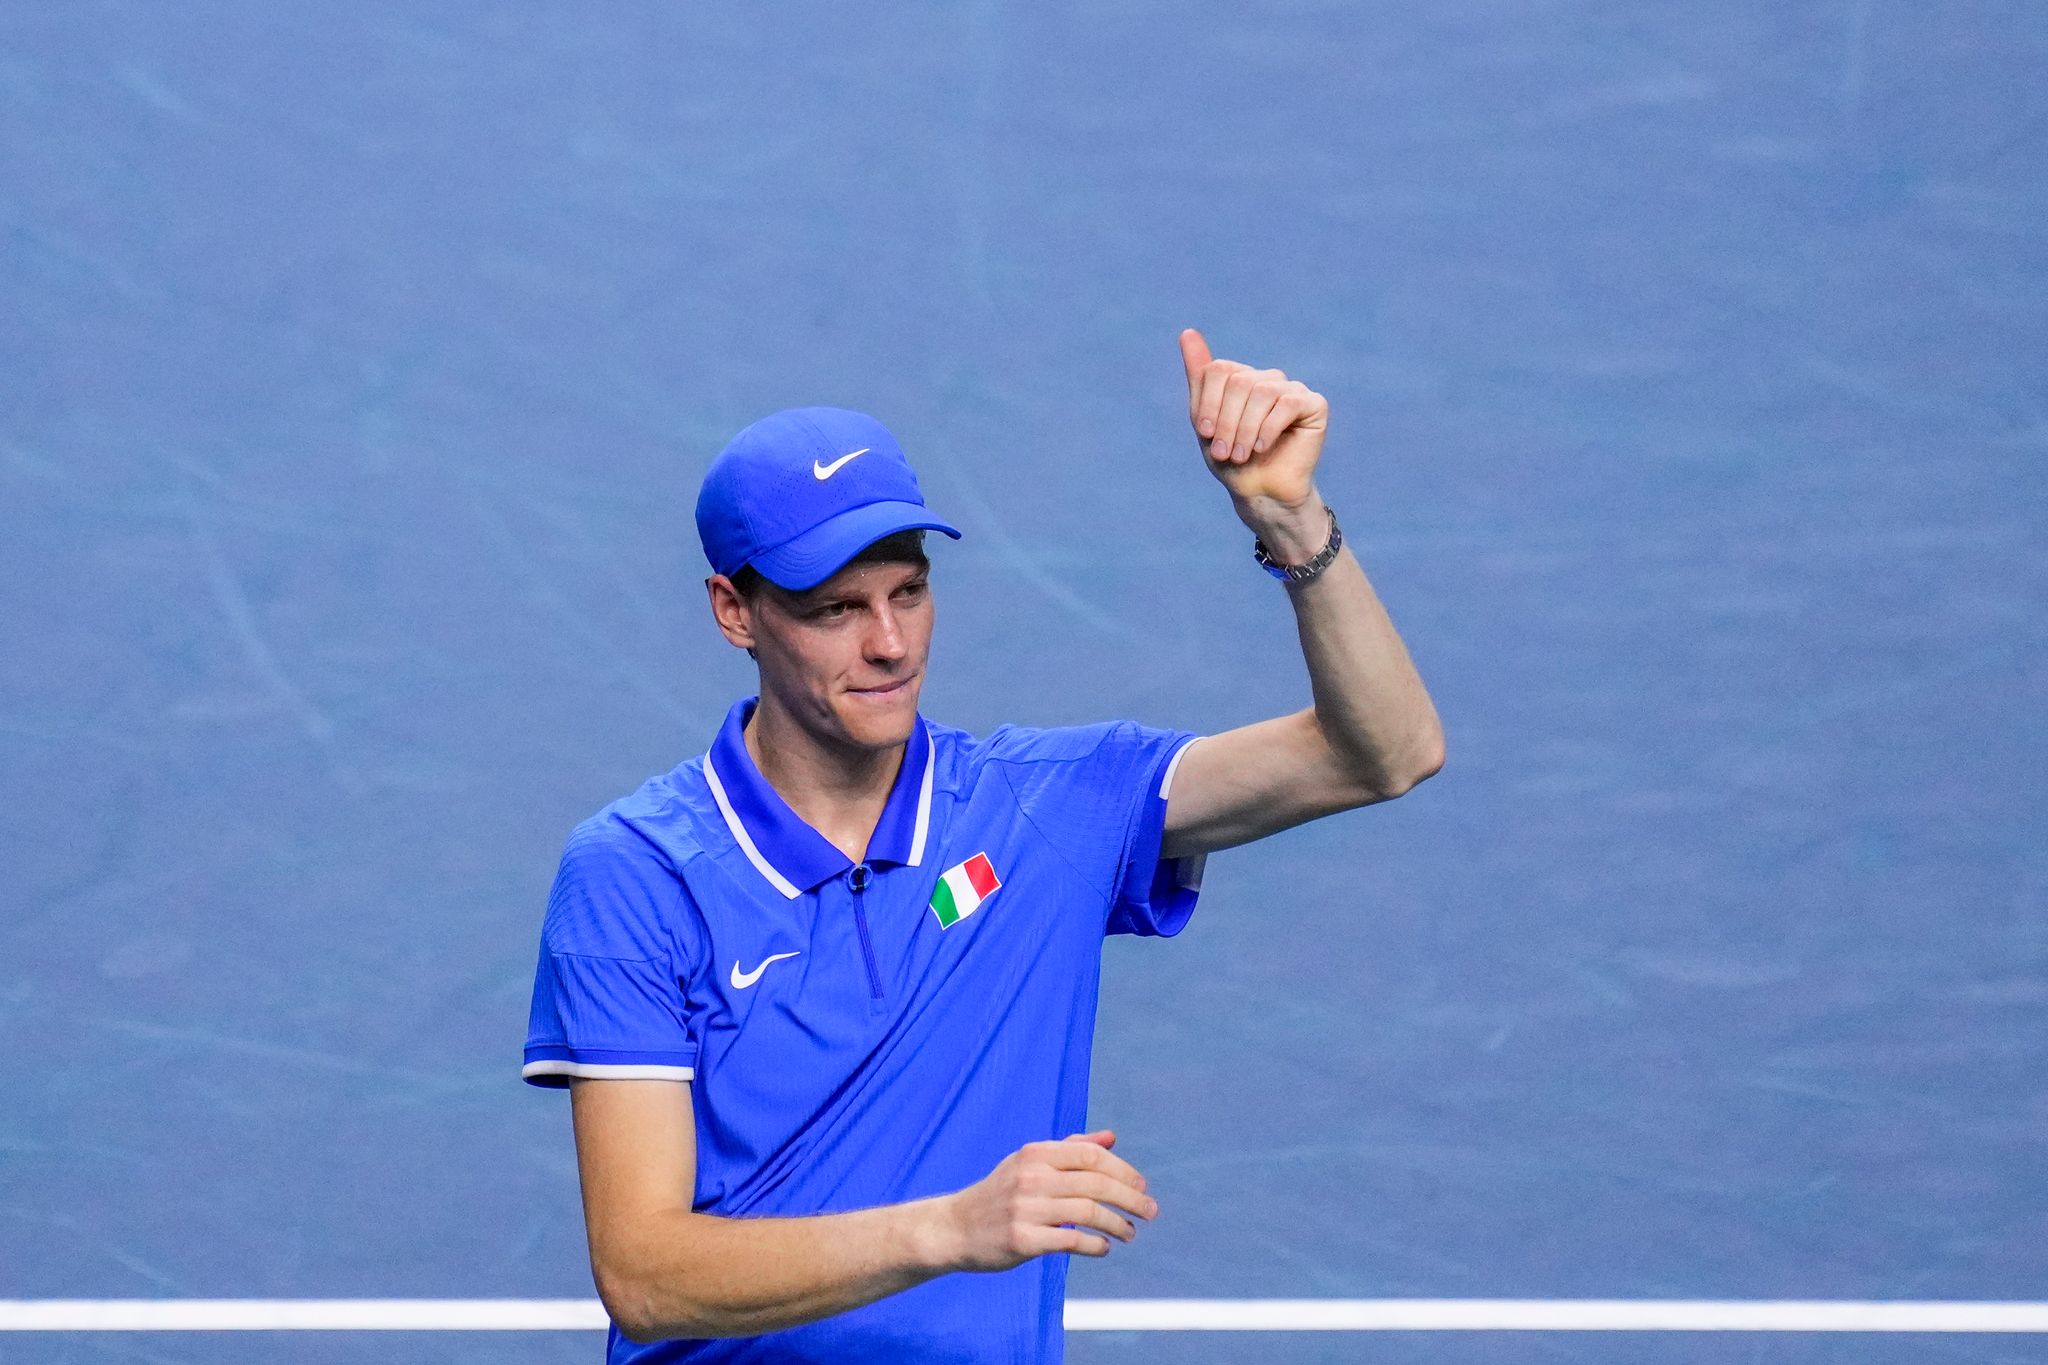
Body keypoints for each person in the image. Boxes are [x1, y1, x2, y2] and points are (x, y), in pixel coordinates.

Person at [521, 328, 1445, 1364]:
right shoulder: (635, 874)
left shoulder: (1047, 811)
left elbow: (1384, 754)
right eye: (835, 610)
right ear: (734, 612)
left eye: (907, 592)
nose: (888, 644)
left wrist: (1288, 518)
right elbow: (646, 1275)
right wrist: (951, 1227)